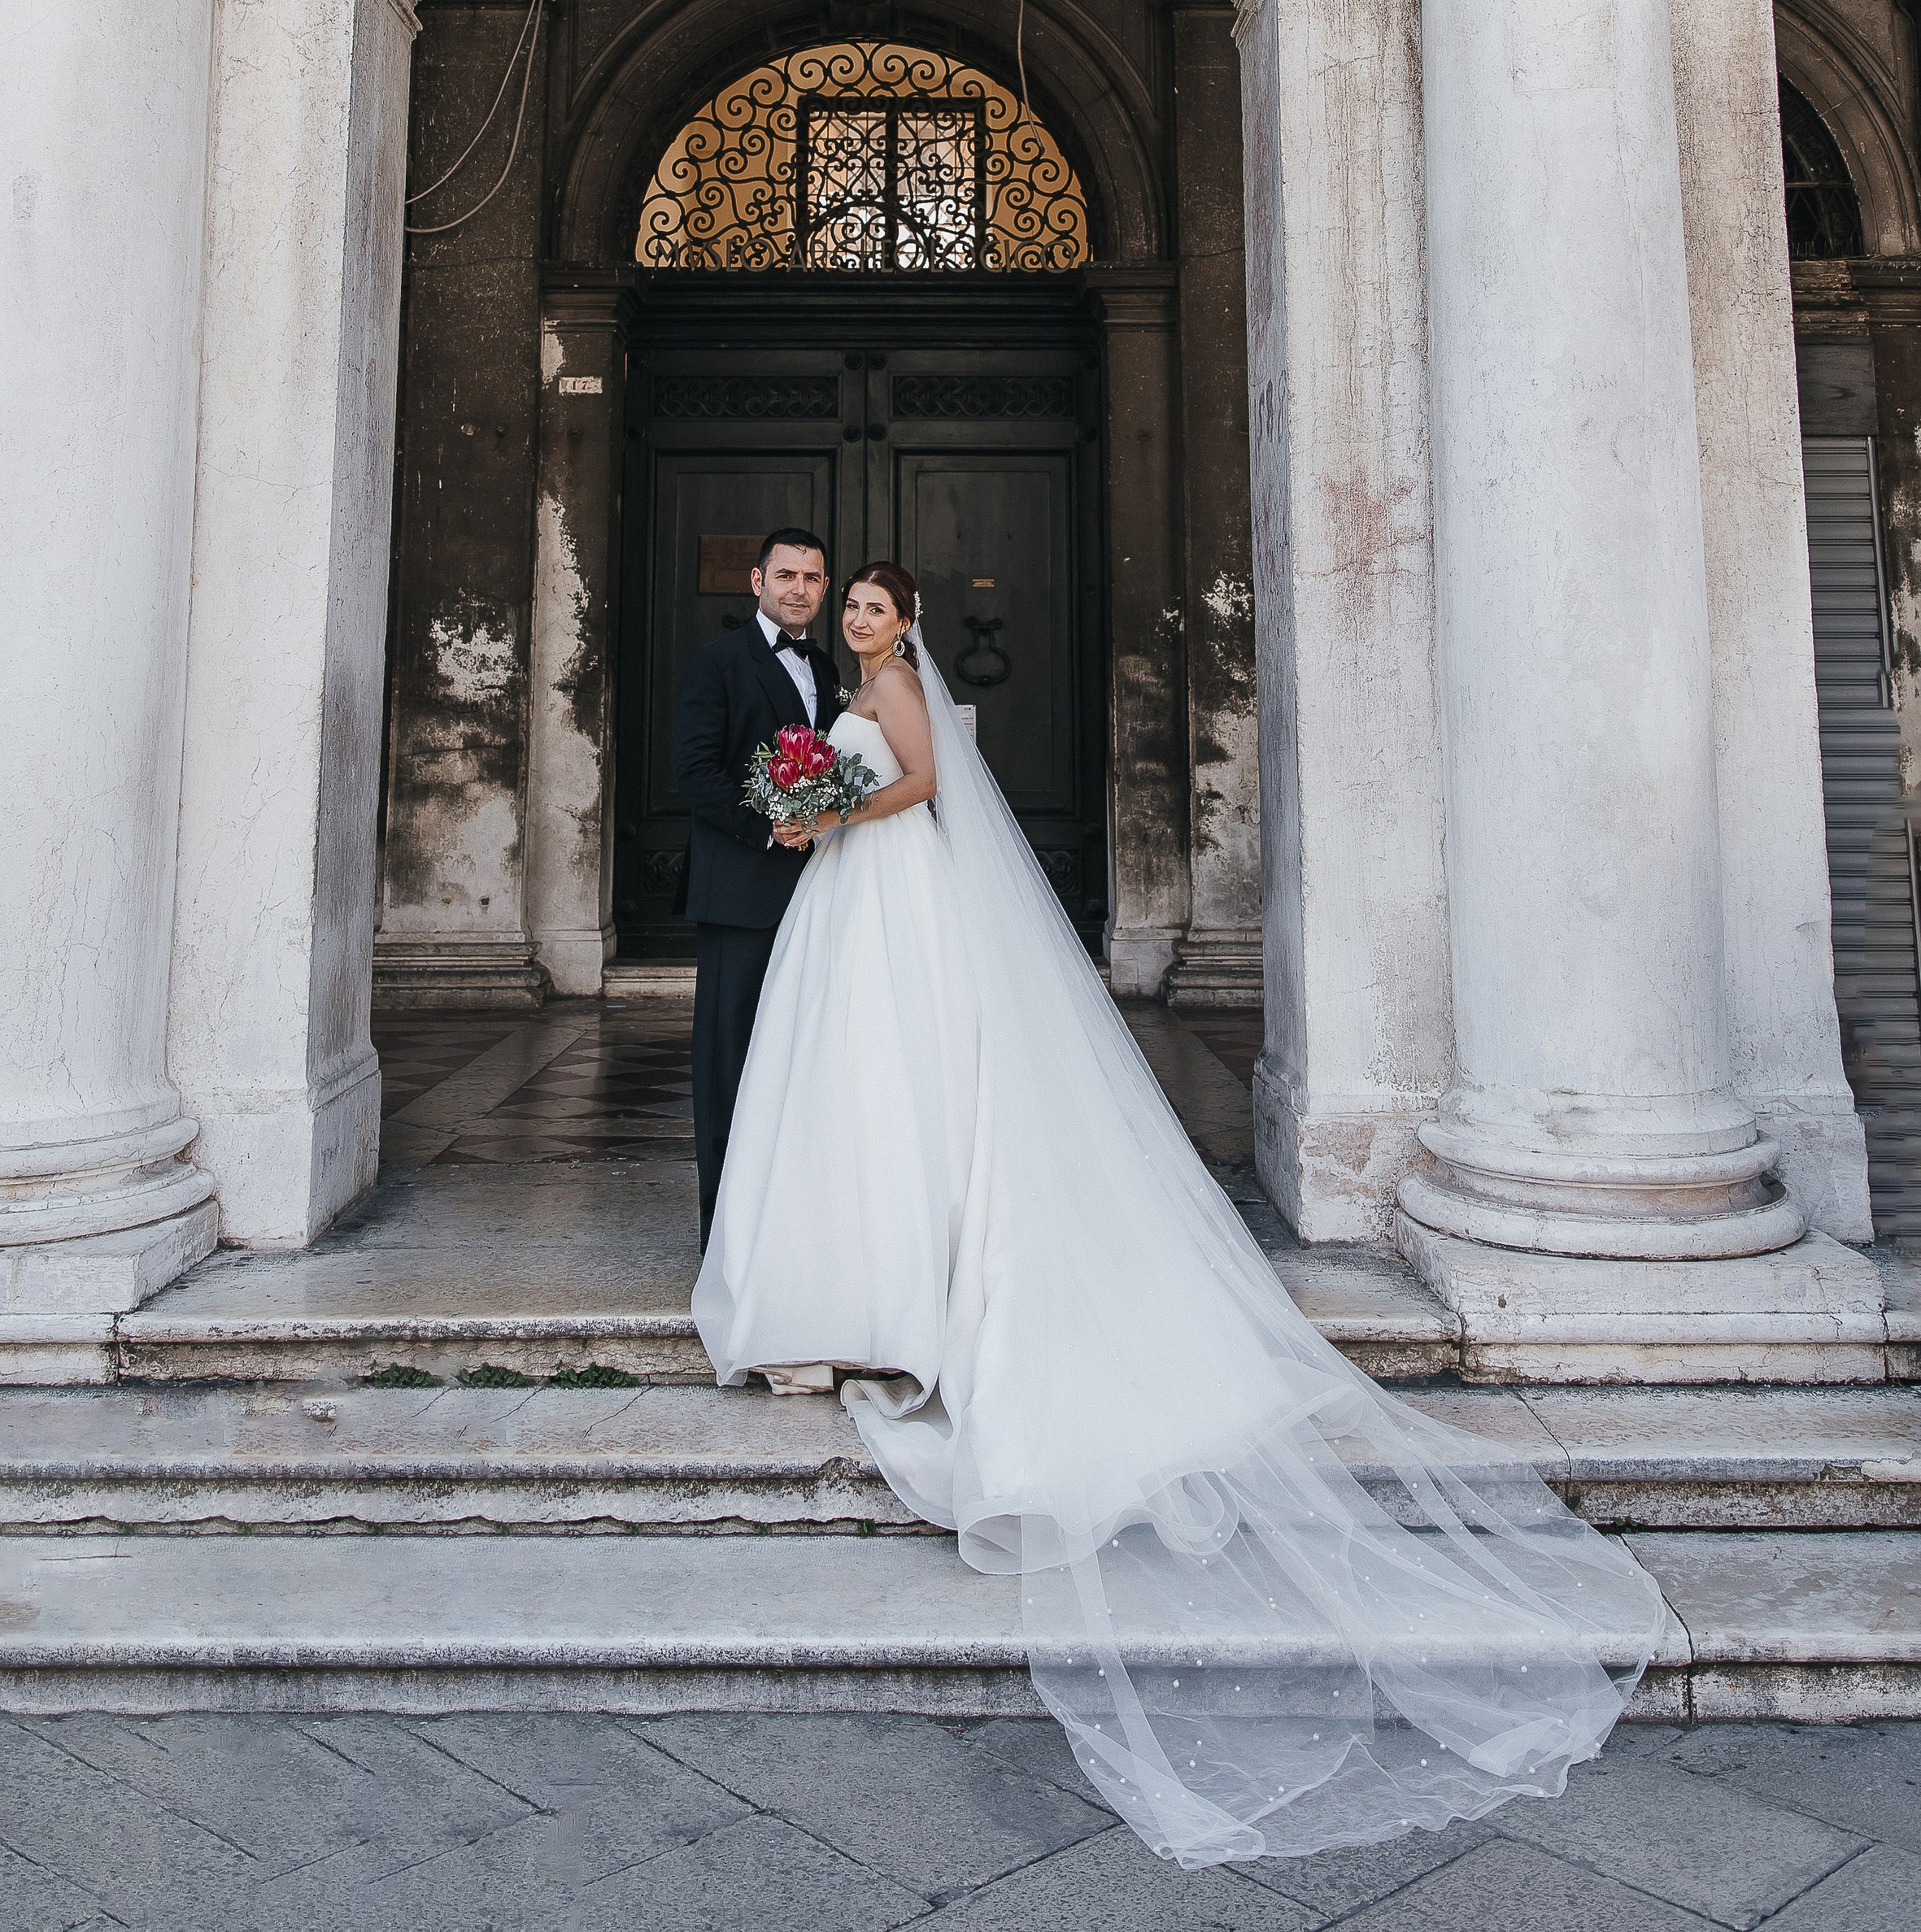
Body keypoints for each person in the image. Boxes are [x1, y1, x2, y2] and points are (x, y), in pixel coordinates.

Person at [695, 561, 1667, 1868]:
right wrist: (812, 805)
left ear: (904, 617)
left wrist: (839, 804)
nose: (858, 617)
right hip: (848, 898)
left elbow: (919, 785)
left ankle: (893, 1292)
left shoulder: (898, 689)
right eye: (845, 603)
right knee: (846, 1089)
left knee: (898, 1082)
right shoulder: (849, 682)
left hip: (889, 885)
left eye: (872, 603)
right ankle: (847, 1288)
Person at [672, 529, 843, 1246]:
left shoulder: (830, 667)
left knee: (802, 1059)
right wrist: (770, 827)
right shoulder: (718, 663)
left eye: (811, 577)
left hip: (819, 893)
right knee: (730, 1059)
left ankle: (789, 1225)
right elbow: (695, 772)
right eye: (785, 574)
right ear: (756, 580)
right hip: (741, 893)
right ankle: (726, 1231)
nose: (798, 588)